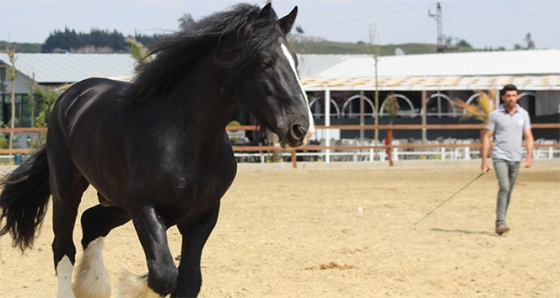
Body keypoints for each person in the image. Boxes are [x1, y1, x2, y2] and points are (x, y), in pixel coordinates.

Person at [481, 84, 534, 235]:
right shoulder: (495, 114)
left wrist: (529, 156)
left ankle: (502, 219)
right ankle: (500, 222)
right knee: (504, 186)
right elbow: (487, 136)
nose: (511, 98)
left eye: (514, 95)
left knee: (509, 190)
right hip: (500, 156)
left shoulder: (523, 114)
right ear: (503, 97)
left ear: (517, 97)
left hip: (516, 157)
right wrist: (484, 161)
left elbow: (529, 136)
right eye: (508, 96)